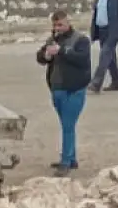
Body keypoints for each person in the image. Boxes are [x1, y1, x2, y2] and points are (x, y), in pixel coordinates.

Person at [36, 9, 92, 175]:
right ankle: (71, 158)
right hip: (57, 89)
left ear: (68, 23)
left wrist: (62, 51)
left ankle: (66, 161)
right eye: (55, 25)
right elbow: (40, 57)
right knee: (66, 125)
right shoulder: (52, 40)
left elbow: (82, 59)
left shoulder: (81, 40)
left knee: (68, 125)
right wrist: (46, 55)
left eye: (60, 24)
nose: (57, 28)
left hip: (74, 90)